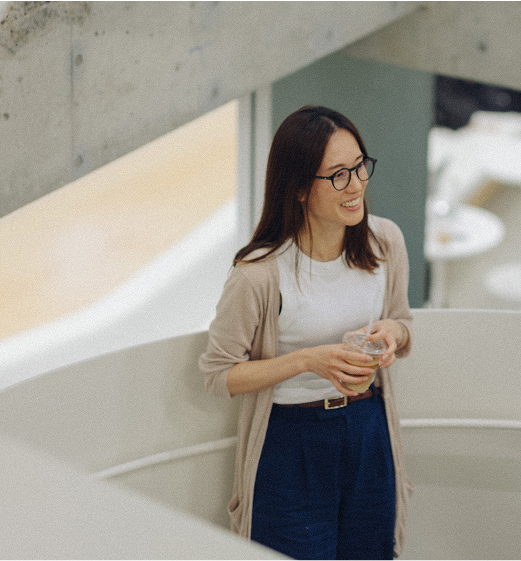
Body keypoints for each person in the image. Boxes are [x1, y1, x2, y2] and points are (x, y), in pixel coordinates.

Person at [199, 105, 414, 560]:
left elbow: (404, 323)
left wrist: (392, 334)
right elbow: (219, 374)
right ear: (298, 188)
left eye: (359, 167)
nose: (356, 185)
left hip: (368, 430)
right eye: (338, 175)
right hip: (291, 443)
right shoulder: (258, 274)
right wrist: (306, 360)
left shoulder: (385, 243)